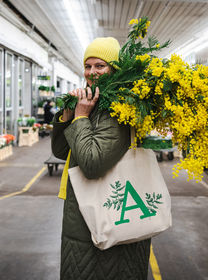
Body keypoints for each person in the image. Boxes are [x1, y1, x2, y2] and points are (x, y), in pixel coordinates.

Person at [52, 37, 151, 279]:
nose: (92, 72)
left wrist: (82, 117)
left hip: (107, 221)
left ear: (115, 68)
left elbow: (92, 163)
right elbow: (63, 152)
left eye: (100, 65)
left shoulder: (119, 109)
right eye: (88, 66)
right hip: (86, 220)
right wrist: (67, 117)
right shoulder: (94, 102)